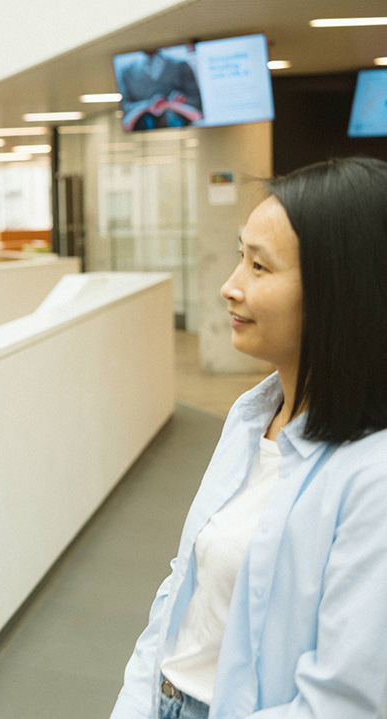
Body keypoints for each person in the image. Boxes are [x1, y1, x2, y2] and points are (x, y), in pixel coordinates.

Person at [111, 156, 387, 719]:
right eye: (240, 258)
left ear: (341, 291)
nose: (229, 288)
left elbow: (342, 703)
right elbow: (182, 584)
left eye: (259, 268)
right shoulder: (251, 416)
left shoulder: (372, 476)